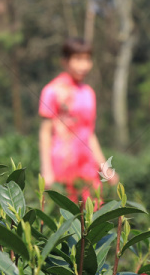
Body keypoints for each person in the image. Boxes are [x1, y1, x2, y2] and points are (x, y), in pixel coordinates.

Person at [38, 38, 117, 203]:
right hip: (62, 165)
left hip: (88, 167)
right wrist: (47, 171)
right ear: (65, 61)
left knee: (94, 213)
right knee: (68, 216)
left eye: (87, 59)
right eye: (78, 59)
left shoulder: (88, 93)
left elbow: (89, 133)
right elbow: (45, 133)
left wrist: (104, 166)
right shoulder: (52, 91)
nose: (84, 65)